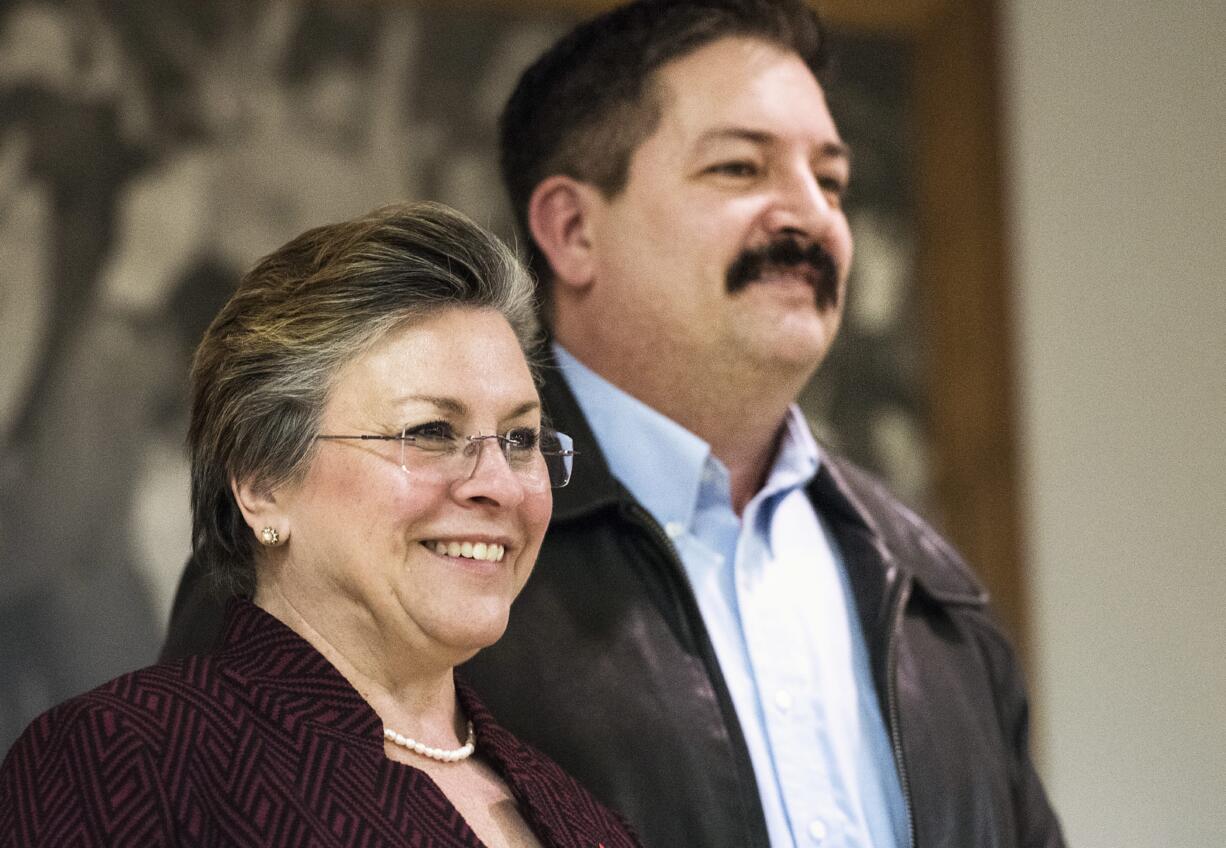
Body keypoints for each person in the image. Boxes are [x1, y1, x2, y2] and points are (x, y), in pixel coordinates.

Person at [163, 2, 1066, 847]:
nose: (811, 215)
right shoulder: (376, 543)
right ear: (571, 229)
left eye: (831, 180)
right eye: (740, 167)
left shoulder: (929, 584)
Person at [0, 202, 642, 848]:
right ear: (262, 482)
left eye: (521, 438)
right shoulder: (127, 758)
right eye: (429, 432)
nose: (500, 484)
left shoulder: (582, 815)